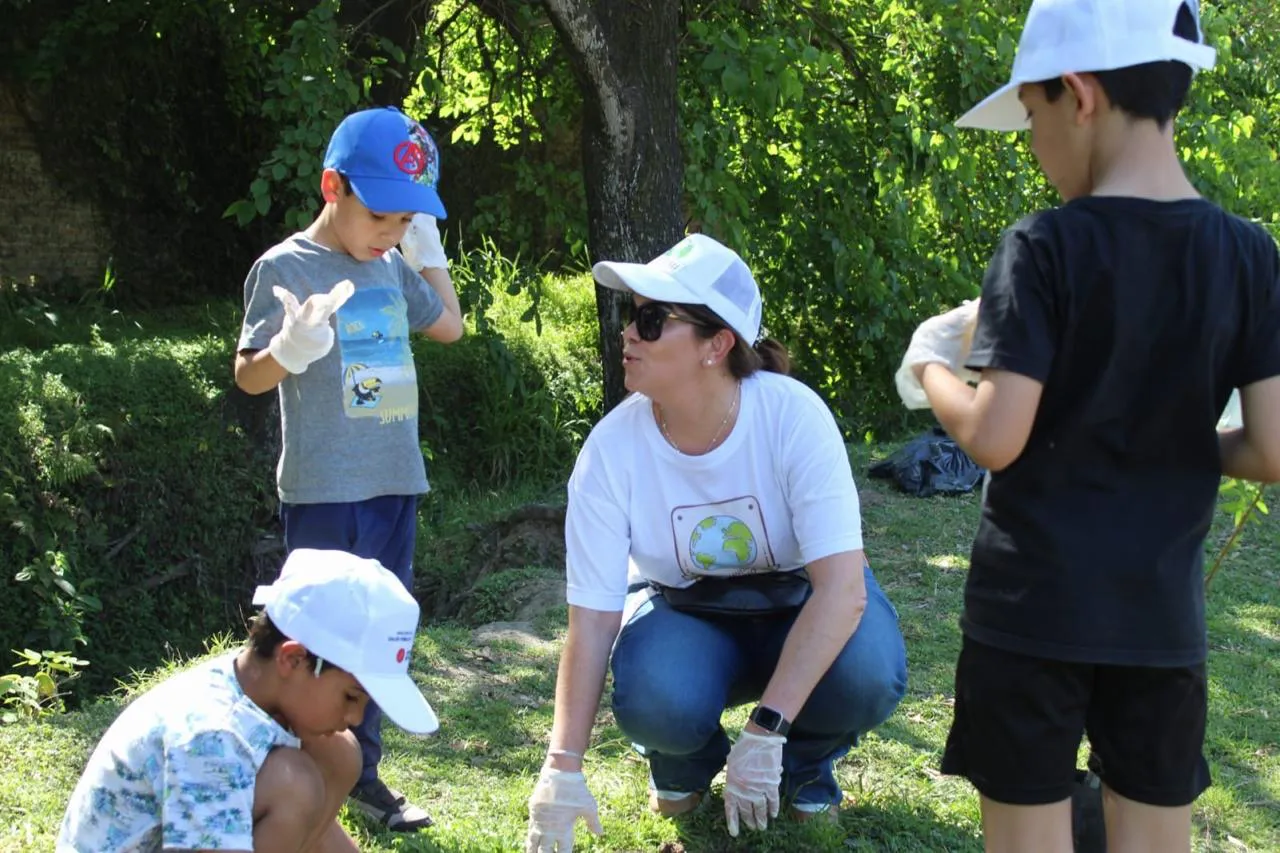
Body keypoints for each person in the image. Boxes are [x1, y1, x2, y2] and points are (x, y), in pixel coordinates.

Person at [900, 2, 1280, 852]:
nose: (1033, 146)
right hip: (1158, 620)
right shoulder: (1250, 255)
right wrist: (1177, 442)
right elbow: (1272, 446)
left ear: (1078, 95)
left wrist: (930, 366)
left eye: (1030, 117)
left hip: (1030, 613)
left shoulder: (1041, 246)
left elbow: (997, 436)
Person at [524, 234, 908, 851]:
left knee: (866, 673)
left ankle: (802, 763)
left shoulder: (792, 416)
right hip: (685, 611)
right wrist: (561, 763)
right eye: (630, 316)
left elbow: (841, 591)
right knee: (658, 699)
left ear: (717, 344)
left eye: (651, 320)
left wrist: (768, 728)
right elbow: (591, 623)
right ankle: (683, 763)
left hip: (799, 602)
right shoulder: (609, 451)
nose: (628, 334)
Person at [234, 106, 462, 831]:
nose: (389, 233)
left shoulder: (394, 262)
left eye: (406, 221)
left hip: (396, 483)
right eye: (382, 217)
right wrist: (288, 351)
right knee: (313, 642)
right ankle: (282, 767)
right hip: (326, 492)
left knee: (376, 639)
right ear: (333, 186)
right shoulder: (284, 266)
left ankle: (360, 772)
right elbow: (247, 376)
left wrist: (425, 248)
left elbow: (449, 325)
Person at [56, 548, 439, 852]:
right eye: (351, 696)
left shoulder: (261, 696)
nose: (355, 716)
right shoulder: (211, 733)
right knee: (296, 783)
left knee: (338, 752)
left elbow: (318, 832)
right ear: (293, 658)